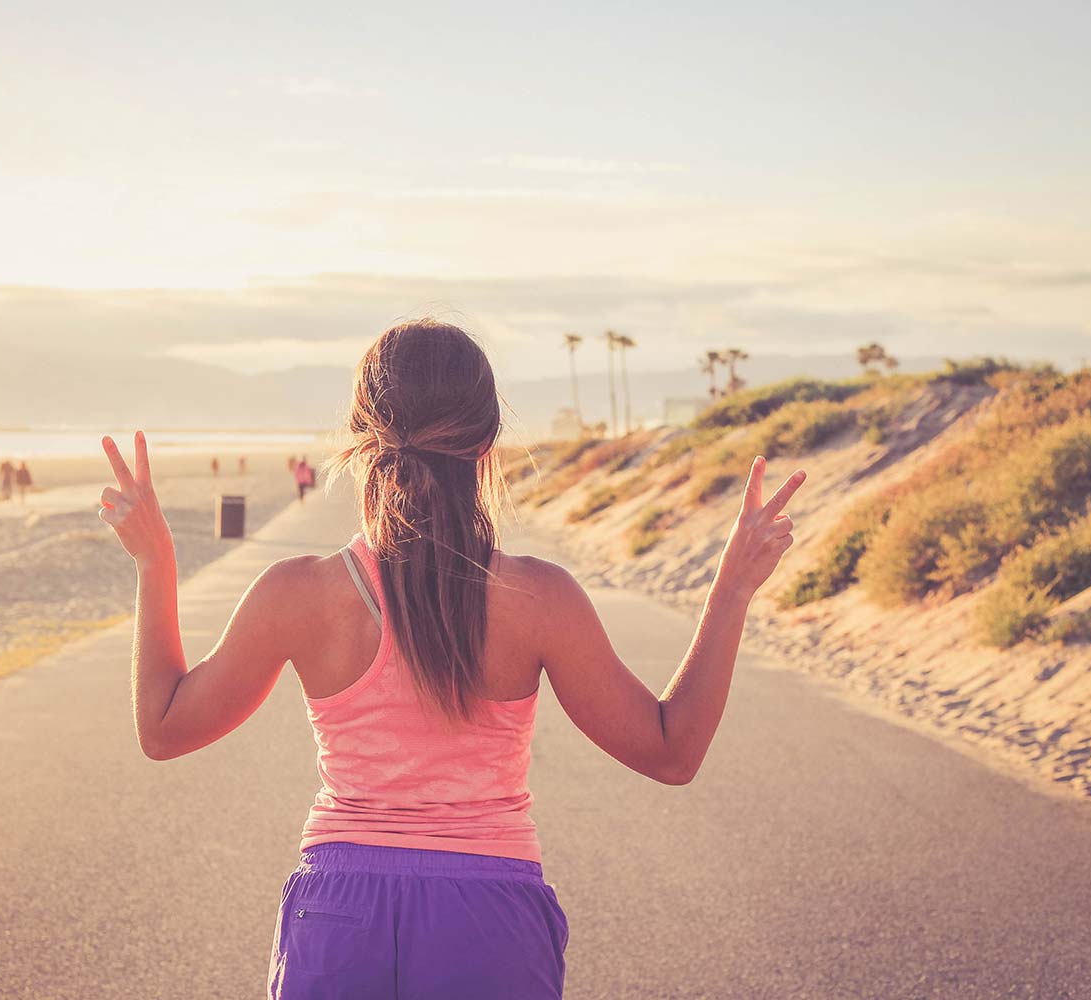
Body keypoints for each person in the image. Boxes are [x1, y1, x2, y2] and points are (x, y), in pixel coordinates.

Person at [96, 321, 805, 998]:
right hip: (489, 919)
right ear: (487, 442)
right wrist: (732, 589)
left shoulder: (297, 595)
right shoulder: (539, 598)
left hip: (340, 915)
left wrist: (155, 565)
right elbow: (670, 752)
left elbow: (164, 731)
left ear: (359, 439)